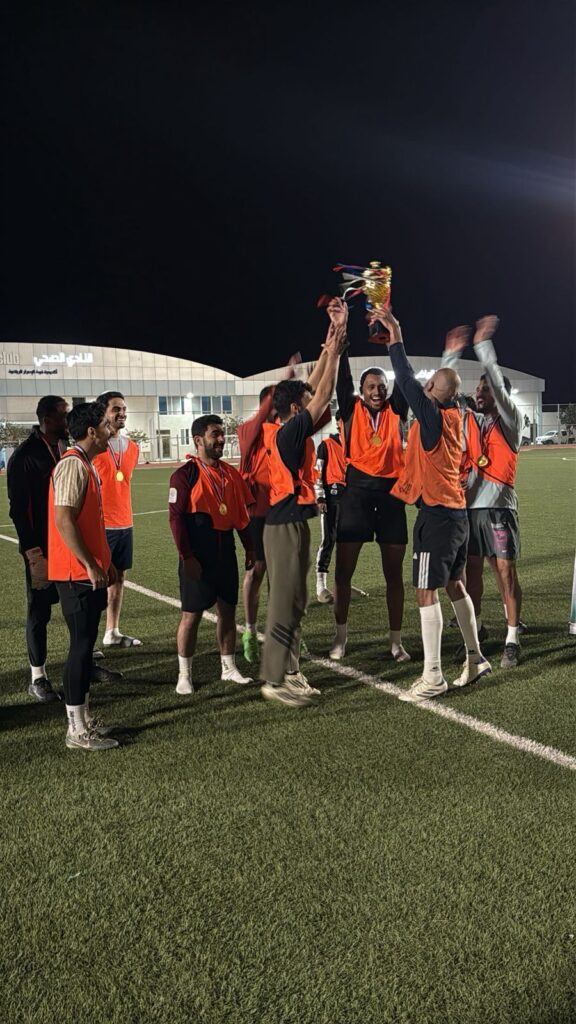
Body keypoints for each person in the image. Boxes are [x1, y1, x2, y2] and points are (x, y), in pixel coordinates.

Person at [372, 307, 491, 702]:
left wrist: (395, 330)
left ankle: (433, 676)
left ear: (435, 394)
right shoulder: (454, 412)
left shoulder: (433, 416)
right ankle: (475, 658)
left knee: (426, 592)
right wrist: (446, 364)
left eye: (430, 385)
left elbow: (405, 377)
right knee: (455, 586)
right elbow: (434, 384)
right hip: (456, 516)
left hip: (437, 517)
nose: (423, 386)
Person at [260, 298, 348, 708]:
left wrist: (332, 341)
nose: (314, 406)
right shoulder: (289, 432)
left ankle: (291, 672)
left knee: (295, 602)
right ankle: (274, 679)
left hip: (289, 521)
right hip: (284, 526)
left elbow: (315, 386)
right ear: (296, 409)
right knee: (284, 603)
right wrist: (335, 350)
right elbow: (323, 391)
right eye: (306, 403)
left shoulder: (284, 427)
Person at [443, 316, 525, 668]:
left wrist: (482, 347)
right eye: (477, 389)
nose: (479, 393)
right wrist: (450, 356)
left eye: (486, 389)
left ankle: (512, 638)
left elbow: (497, 384)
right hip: (470, 509)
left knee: (505, 571)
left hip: (500, 510)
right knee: (471, 574)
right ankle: (476, 632)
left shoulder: (510, 421)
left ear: (499, 394)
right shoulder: (471, 420)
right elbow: (444, 395)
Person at [330, 327, 410, 662]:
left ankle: (396, 642)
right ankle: (340, 638)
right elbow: (341, 379)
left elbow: (405, 375)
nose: (377, 391)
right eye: (371, 387)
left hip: (391, 497)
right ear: (361, 391)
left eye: (381, 386)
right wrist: (342, 344)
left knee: (394, 575)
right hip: (356, 496)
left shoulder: (396, 409)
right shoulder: (350, 409)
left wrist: (395, 340)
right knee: (343, 573)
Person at [47, 401, 121, 750]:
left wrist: (105, 562)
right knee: (79, 647)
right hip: (75, 574)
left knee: (85, 645)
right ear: (92, 431)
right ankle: (76, 730)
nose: (111, 430)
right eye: (106, 425)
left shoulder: (85, 464)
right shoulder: (72, 465)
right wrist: (90, 564)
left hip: (85, 572)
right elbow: (64, 520)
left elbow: (88, 522)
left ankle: (84, 719)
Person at [168, 415, 256, 694]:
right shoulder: (184, 475)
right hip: (198, 554)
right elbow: (175, 519)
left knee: (227, 611)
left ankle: (228, 668)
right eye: (215, 434)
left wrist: (250, 547)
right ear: (198, 440)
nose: (221, 439)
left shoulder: (230, 473)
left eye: (222, 434)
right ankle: (184, 675)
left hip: (225, 551)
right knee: (191, 616)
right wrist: (187, 557)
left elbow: (242, 516)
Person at [7, 396, 70, 702]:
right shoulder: (25, 456)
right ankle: (38, 677)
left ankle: (86, 661)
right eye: (63, 416)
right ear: (47, 419)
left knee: (78, 605)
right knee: (39, 610)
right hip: (42, 549)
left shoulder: (66, 448)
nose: (67, 421)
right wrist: (33, 552)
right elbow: (18, 510)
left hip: (69, 545)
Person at [93, 391, 142, 648]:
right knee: (94, 582)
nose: (122, 413)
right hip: (100, 526)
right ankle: (87, 640)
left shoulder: (133, 447)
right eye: (116, 409)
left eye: (123, 409)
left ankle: (111, 632)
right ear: (103, 412)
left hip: (125, 523)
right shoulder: (94, 445)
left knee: (119, 579)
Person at [237, 385, 277, 664]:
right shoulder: (248, 431)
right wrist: (285, 380)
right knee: (257, 570)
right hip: (256, 513)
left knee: (282, 575)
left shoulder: (283, 431)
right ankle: (250, 631)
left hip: (283, 512)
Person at [314, 412, 346, 603]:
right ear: (339, 422)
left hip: (350, 500)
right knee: (329, 539)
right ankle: (321, 586)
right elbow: (317, 473)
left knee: (347, 542)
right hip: (331, 500)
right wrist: (320, 497)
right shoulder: (326, 445)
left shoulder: (356, 445)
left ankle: (342, 583)